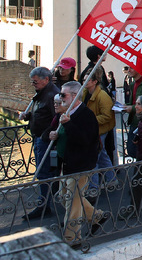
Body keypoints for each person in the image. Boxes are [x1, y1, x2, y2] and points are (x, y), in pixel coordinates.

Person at [45, 82, 108, 246]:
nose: (60, 97)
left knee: (72, 202)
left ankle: (72, 239)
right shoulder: (66, 113)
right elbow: (62, 134)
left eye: (63, 95)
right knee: (64, 197)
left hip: (80, 165)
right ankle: (97, 217)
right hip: (67, 164)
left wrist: (68, 124)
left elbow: (84, 140)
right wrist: (54, 134)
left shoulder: (85, 115)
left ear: (74, 96)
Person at [21, 66, 58, 219]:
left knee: (44, 173)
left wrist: (44, 135)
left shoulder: (51, 95)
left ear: (46, 80)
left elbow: (55, 119)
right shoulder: (43, 93)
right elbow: (42, 114)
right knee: (46, 172)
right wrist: (29, 116)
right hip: (40, 137)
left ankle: (43, 205)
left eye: (35, 82)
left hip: (44, 140)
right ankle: (47, 201)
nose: (33, 84)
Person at [82, 72, 116, 195]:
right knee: (102, 156)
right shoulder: (85, 93)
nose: (83, 82)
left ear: (94, 81)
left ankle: (93, 188)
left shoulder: (102, 96)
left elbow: (107, 116)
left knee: (93, 158)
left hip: (100, 130)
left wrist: (89, 121)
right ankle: (112, 179)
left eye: (86, 80)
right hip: (92, 130)